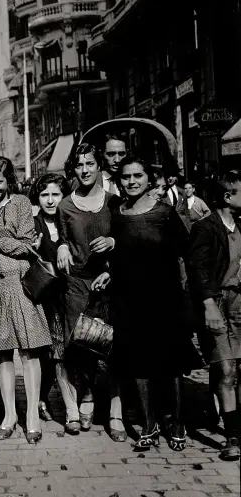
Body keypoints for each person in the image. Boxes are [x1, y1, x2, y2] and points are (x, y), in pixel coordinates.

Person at [101, 156, 202, 452]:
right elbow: (119, 254)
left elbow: (185, 252)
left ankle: (178, 421)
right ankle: (148, 424)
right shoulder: (117, 214)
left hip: (164, 298)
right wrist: (109, 266)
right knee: (138, 361)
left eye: (138, 176)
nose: (131, 181)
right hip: (128, 298)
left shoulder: (165, 213)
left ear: (149, 179)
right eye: (126, 177)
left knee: (170, 364)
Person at [0, 156, 52, 444]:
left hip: (22, 285)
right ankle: (9, 415)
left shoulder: (19, 204)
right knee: (3, 353)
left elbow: (27, 246)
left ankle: (31, 417)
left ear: (9, 181)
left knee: (29, 351)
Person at [57, 144, 125, 441]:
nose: (84, 170)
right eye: (79, 165)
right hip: (78, 284)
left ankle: (116, 412)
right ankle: (85, 397)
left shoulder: (115, 203)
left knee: (115, 348)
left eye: (90, 164)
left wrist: (112, 244)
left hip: (111, 281)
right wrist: (60, 245)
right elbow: (60, 237)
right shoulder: (65, 206)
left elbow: (129, 240)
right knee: (80, 345)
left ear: (100, 167)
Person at [188, 171, 241, 461]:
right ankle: (231, 436)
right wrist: (208, 305)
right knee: (225, 369)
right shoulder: (205, 228)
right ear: (227, 197)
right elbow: (198, 271)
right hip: (217, 303)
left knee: (238, 370)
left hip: (240, 304)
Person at [29, 174, 68, 426]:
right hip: (44, 296)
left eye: (56, 194)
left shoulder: (70, 219)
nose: (50, 200)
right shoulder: (33, 223)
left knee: (68, 349)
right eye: (45, 195)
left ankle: (76, 400)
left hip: (71, 293)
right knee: (48, 351)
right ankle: (42, 399)